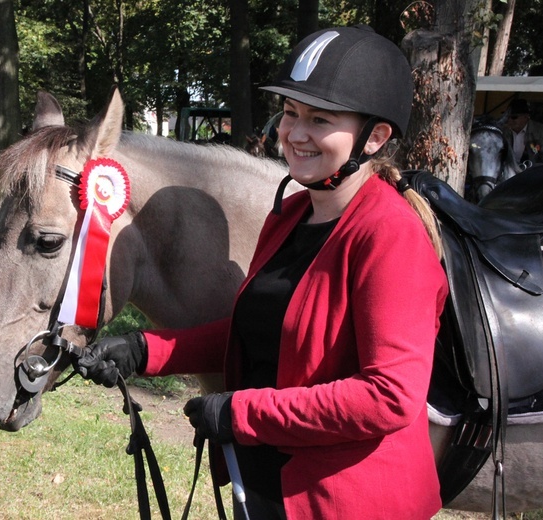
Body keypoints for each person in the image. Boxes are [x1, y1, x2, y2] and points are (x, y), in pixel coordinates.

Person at [74, 25, 448, 520]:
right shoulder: (290, 216)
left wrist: (240, 412)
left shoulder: (390, 235)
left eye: (319, 119)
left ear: (375, 137)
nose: (293, 133)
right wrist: (146, 351)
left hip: (348, 502)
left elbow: (390, 397)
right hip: (272, 487)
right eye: (291, 113)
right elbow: (262, 331)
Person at [503, 98, 543, 164]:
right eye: (507, 117)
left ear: (526, 117)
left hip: (533, 172)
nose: (509, 120)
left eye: (514, 117)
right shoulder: (503, 132)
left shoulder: (540, 131)